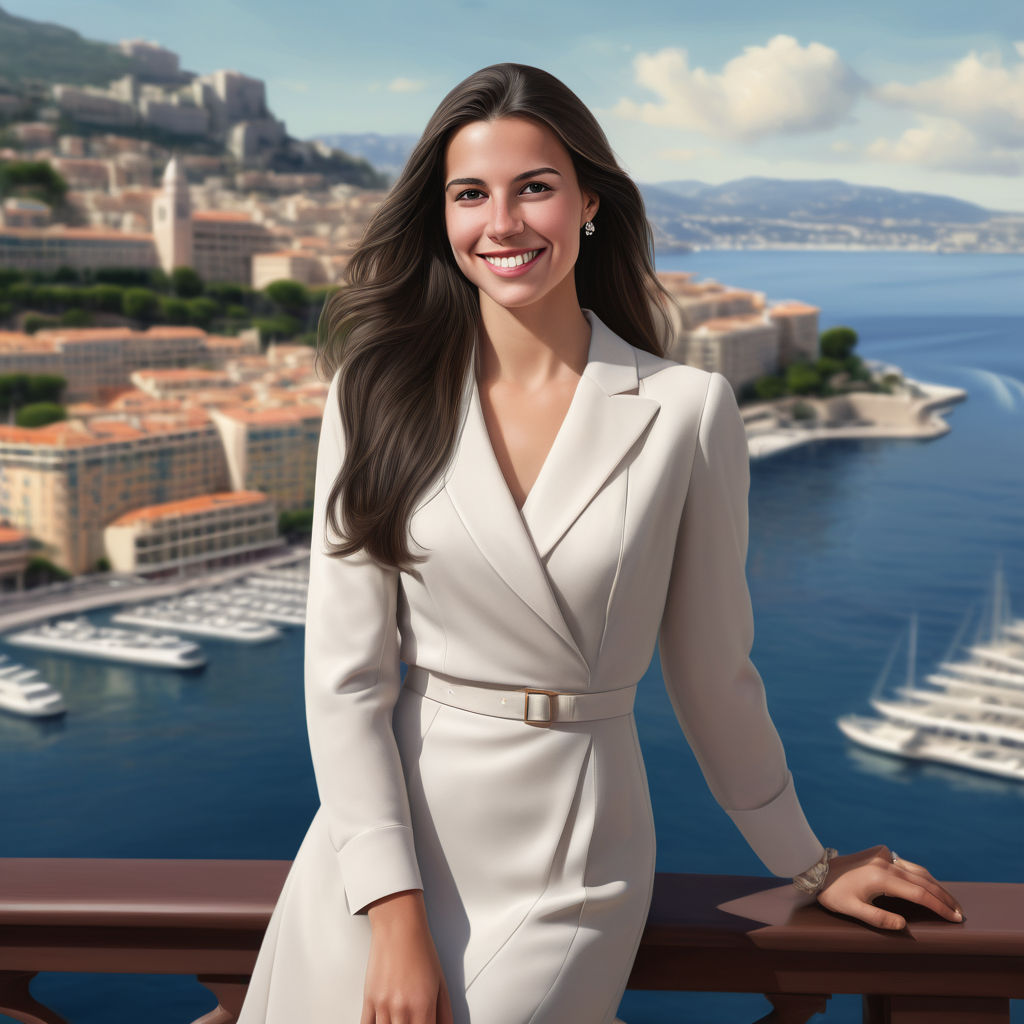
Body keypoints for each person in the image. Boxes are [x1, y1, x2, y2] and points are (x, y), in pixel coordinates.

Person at [237, 63, 962, 1024]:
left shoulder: (685, 412)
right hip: (383, 855)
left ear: (588, 205)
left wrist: (810, 861)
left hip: (576, 852)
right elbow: (345, 682)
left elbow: (714, 675)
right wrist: (396, 918)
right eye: (470, 195)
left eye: (534, 187)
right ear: (441, 220)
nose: (502, 223)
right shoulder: (372, 397)